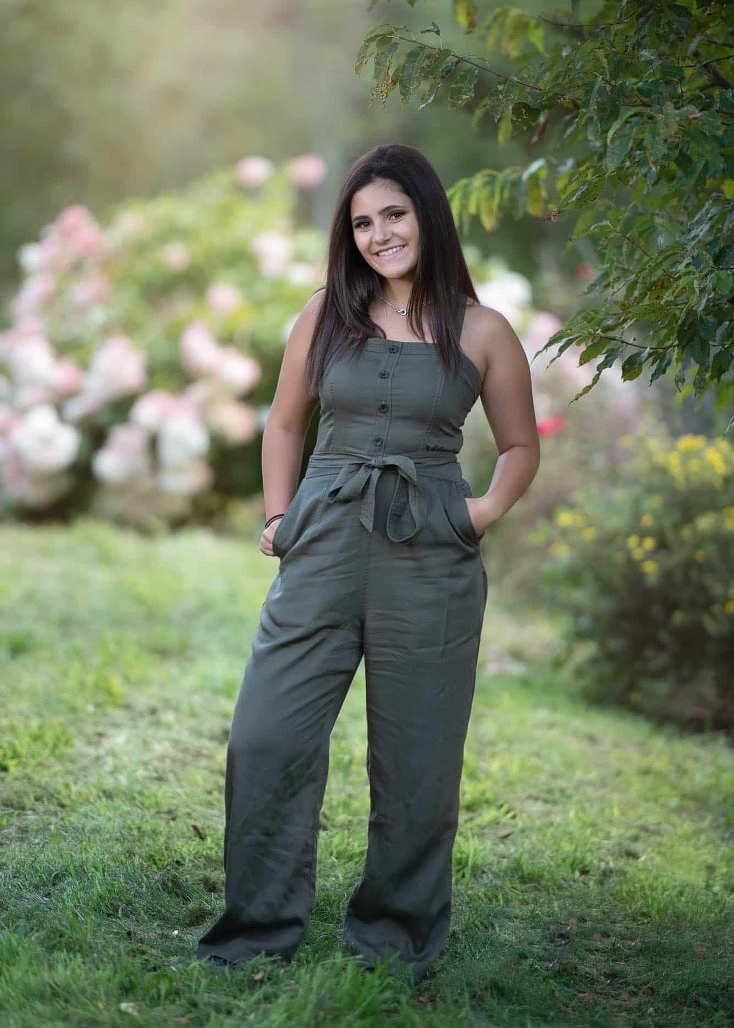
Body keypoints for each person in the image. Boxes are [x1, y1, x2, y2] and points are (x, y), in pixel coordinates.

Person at [197, 143, 540, 979]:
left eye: (394, 213)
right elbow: (283, 423)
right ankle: (257, 928)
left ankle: (392, 936)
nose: (379, 234)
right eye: (361, 222)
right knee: (267, 736)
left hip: (430, 556)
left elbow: (521, 445)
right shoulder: (325, 314)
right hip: (322, 545)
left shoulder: (483, 329)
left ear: (427, 215)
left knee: (418, 759)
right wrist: (279, 513)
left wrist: (482, 510)